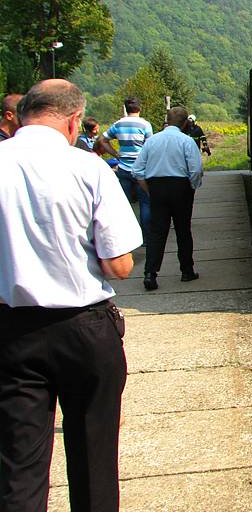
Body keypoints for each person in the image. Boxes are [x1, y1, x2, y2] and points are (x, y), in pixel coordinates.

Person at [0, 79, 142, 512]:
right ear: (73, 119)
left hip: (11, 331)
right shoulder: (89, 168)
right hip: (84, 327)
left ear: (21, 114)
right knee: (94, 457)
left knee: (18, 464)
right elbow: (118, 264)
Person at [132, 106, 203, 291]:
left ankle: (150, 273)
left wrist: (149, 190)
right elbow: (195, 170)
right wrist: (192, 187)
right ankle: (187, 271)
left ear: (167, 120)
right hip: (181, 187)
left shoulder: (152, 141)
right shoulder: (187, 141)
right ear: (186, 122)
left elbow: (137, 170)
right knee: (183, 230)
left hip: (157, 187)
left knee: (157, 232)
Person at [96, 97, 153, 244]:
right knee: (145, 204)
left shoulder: (118, 124)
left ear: (126, 109)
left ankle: (125, 238)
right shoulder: (145, 125)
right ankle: (146, 238)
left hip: (123, 168)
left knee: (124, 205)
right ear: (140, 109)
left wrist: (115, 153)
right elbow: (150, 147)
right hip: (141, 169)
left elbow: (102, 140)